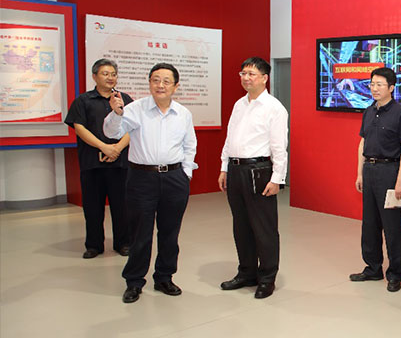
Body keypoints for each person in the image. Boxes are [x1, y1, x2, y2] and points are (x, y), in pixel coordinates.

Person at [104, 63, 197, 304]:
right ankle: (134, 282)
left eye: (166, 81)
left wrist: (185, 174)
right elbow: (112, 133)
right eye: (155, 80)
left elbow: (190, 145)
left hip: (174, 178)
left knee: (170, 233)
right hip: (141, 178)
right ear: (149, 83)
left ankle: (164, 277)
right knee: (140, 233)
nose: (160, 85)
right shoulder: (134, 109)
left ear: (176, 86)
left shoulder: (183, 114)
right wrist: (116, 113)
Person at [218, 57, 288, 299]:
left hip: (259, 171)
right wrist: (224, 168)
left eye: (251, 74)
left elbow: (279, 147)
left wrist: (277, 179)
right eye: (243, 73)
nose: (246, 78)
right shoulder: (239, 104)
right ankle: (246, 272)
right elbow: (229, 139)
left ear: (264, 78)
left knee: (264, 228)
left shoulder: (274, 108)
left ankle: (267, 278)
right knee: (241, 226)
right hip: (236, 170)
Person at [349, 67, 401, 293]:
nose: (374, 88)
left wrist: (400, 180)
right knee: (369, 224)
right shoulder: (368, 111)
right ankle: (373, 267)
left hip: (389, 171)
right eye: (372, 84)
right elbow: (362, 143)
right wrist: (360, 172)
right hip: (369, 170)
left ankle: (395, 274)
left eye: (379, 84)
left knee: (392, 226)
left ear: (391, 88)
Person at [65, 58, 132, 259]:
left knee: (122, 207)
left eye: (113, 74)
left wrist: (117, 148)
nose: (110, 77)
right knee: (92, 207)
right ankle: (94, 245)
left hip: (120, 163)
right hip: (92, 164)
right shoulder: (83, 101)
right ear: (94, 76)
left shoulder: (125, 99)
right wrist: (104, 147)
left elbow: (133, 128)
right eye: (105, 74)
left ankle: (123, 243)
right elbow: (79, 128)